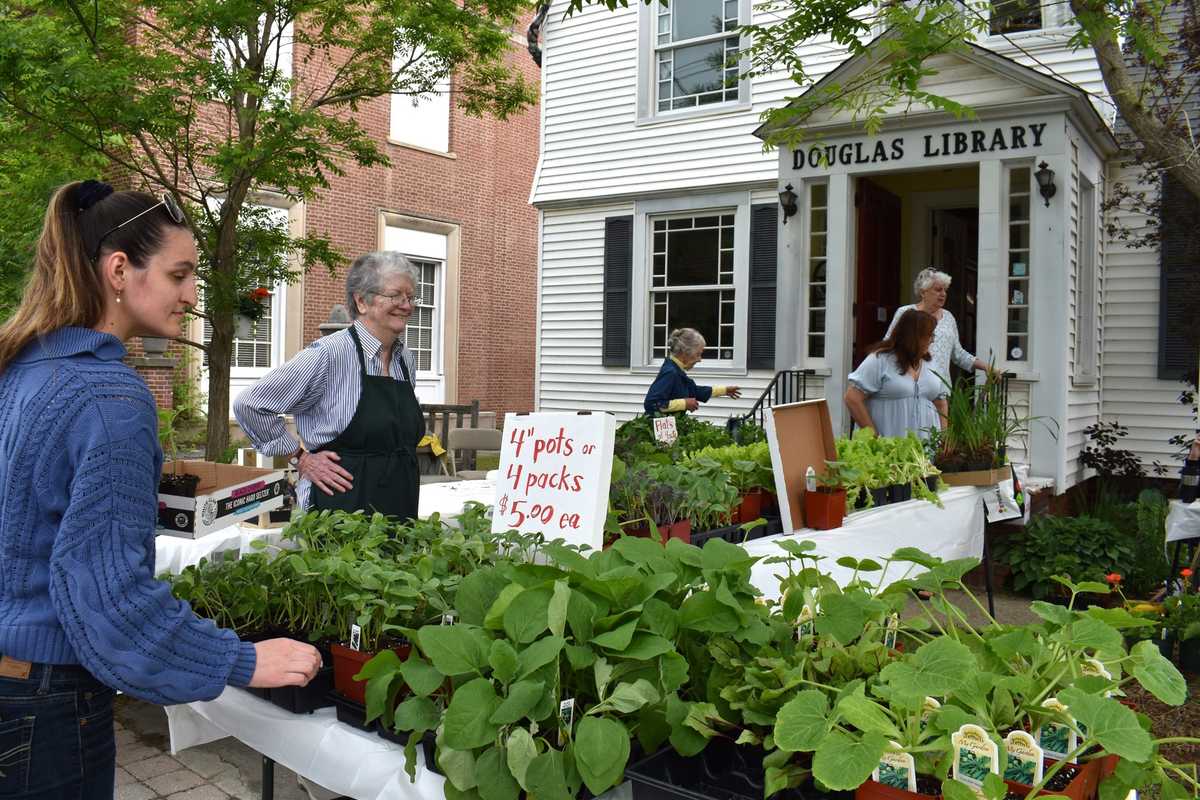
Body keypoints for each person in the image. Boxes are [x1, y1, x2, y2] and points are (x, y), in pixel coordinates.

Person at [0, 181, 321, 798]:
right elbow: (110, 597)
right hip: (48, 704)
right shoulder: (109, 398)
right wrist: (242, 661)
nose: (193, 295)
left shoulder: (20, 370)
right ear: (119, 270)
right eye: (179, 274)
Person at [234, 251, 425, 521]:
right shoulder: (328, 355)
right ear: (362, 301)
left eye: (410, 297)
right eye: (395, 296)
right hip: (339, 513)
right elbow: (250, 404)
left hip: (400, 510)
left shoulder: (405, 359)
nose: (406, 306)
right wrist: (300, 458)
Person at [844, 308, 948, 439]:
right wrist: (874, 438)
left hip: (926, 448)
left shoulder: (931, 364)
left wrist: (944, 438)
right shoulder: (880, 360)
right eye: (928, 335)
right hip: (887, 447)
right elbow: (852, 398)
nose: (932, 340)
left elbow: (941, 403)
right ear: (913, 336)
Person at [885, 267, 992, 388]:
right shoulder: (906, 313)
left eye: (945, 290)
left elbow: (958, 354)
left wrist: (986, 367)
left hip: (941, 389)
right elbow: (889, 345)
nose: (943, 294)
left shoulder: (948, 317)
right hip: (911, 387)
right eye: (938, 290)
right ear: (923, 292)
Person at [643, 327, 741, 415]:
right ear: (685, 353)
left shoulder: (677, 371)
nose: (700, 359)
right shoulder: (671, 372)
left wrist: (724, 390)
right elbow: (652, 404)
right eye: (698, 354)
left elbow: (694, 391)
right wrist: (684, 403)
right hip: (654, 428)